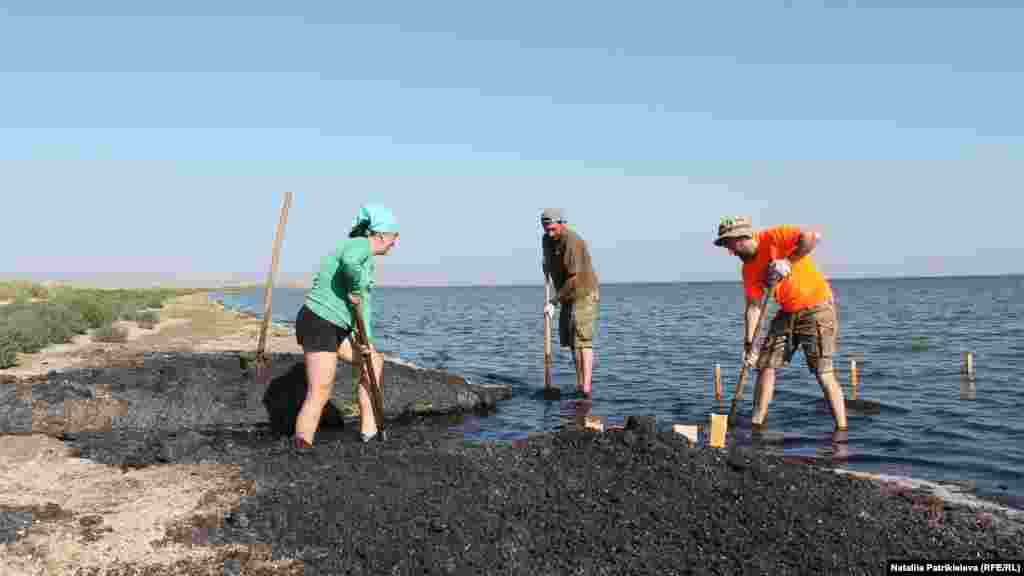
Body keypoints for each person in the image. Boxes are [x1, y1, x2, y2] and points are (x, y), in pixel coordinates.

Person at [713, 216, 848, 431]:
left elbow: (812, 237)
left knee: (823, 372)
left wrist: (788, 261)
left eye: (730, 245)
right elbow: (754, 307)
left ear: (741, 237)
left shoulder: (775, 237)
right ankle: (757, 425)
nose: (730, 252)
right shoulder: (748, 269)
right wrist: (750, 345)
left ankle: (842, 431)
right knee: (764, 364)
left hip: (817, 308)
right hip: (787, 312)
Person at [292, 204, 400, 448]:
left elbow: (363, 306)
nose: (395, 243)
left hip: (338, 326)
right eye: (395, 236)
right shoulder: (359, 245)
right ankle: (301, 446)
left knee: (374, 361)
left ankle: (368, 432)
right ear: (382, 234)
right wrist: (353, 288)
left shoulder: (367, 260)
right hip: (319, 321)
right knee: (321, 389)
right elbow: (349, 263)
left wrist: (366, 341)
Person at [541, 208, 600, 396]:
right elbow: (548, 261)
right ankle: (579, 384)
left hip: (583, 293)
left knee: (582, 340)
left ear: (561, 223)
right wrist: (547, 267)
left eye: (553, 229)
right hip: (566, 296)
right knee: (572, 342)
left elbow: (574, 279)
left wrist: (553, 301)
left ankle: (586, 389)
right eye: (546, 229)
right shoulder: (546, 240)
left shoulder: (572, 241)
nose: (550, 233)